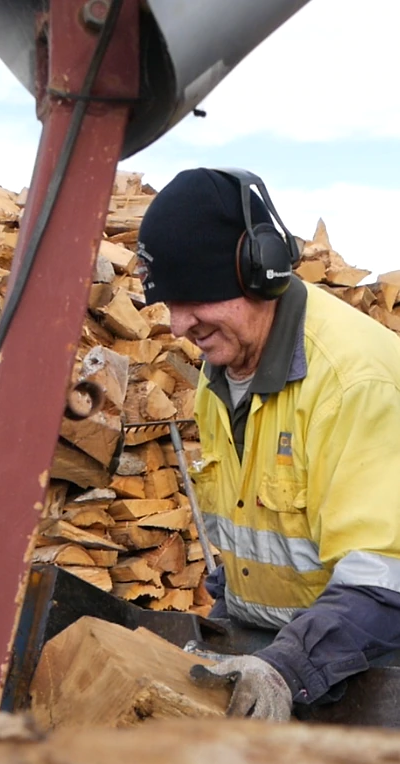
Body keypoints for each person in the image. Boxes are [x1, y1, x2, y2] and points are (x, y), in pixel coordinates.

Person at [137, 167, 400, 721]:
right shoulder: (221, 373)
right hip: (283, 653)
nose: (179, 324)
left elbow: (385, 579)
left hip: (374, 668)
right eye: (168, 303)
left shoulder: (354, 382)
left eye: (195, 298)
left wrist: (284, 670)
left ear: (262, 272)